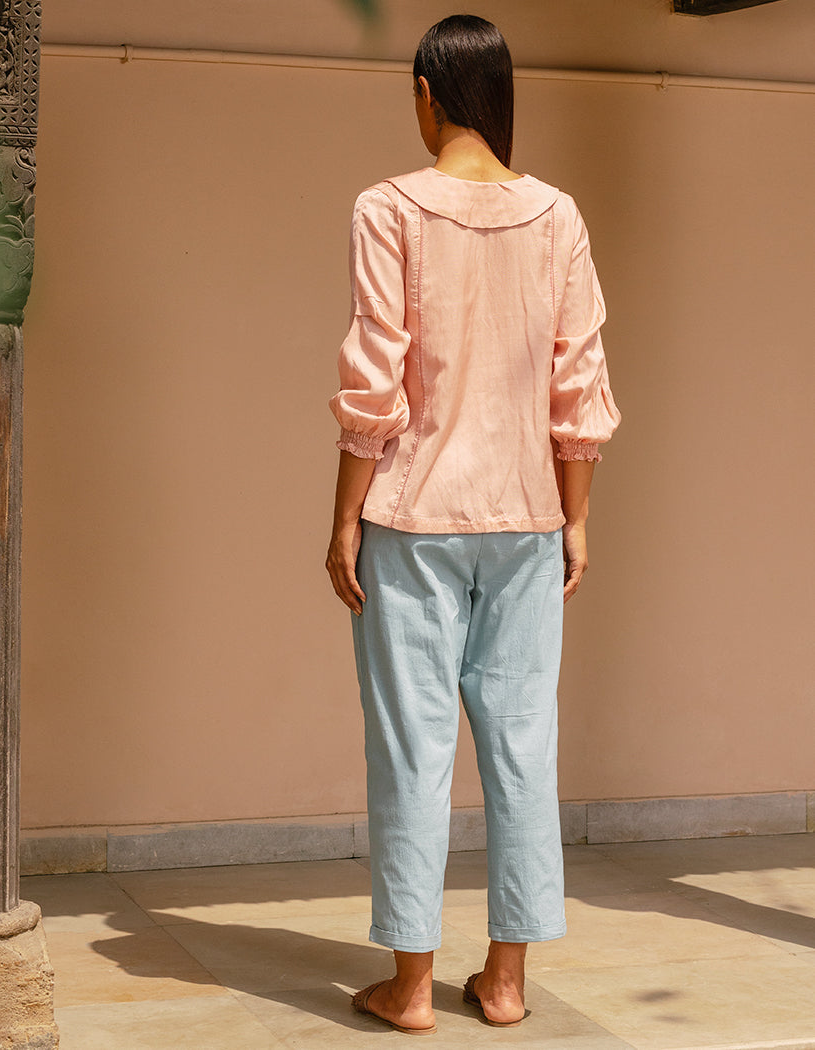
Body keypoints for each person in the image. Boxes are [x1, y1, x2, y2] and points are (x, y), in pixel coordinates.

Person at [326, 14, 620, 1035]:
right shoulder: (558, 217)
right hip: (530, 519)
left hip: (412, 518)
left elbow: (376, 378)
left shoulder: (388, 209)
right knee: (525, 745)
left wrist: (344, 519)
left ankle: (409, 987)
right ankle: (505, 982)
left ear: (425, 92)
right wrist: (576, 518)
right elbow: (580, 379)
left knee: (411, 749)